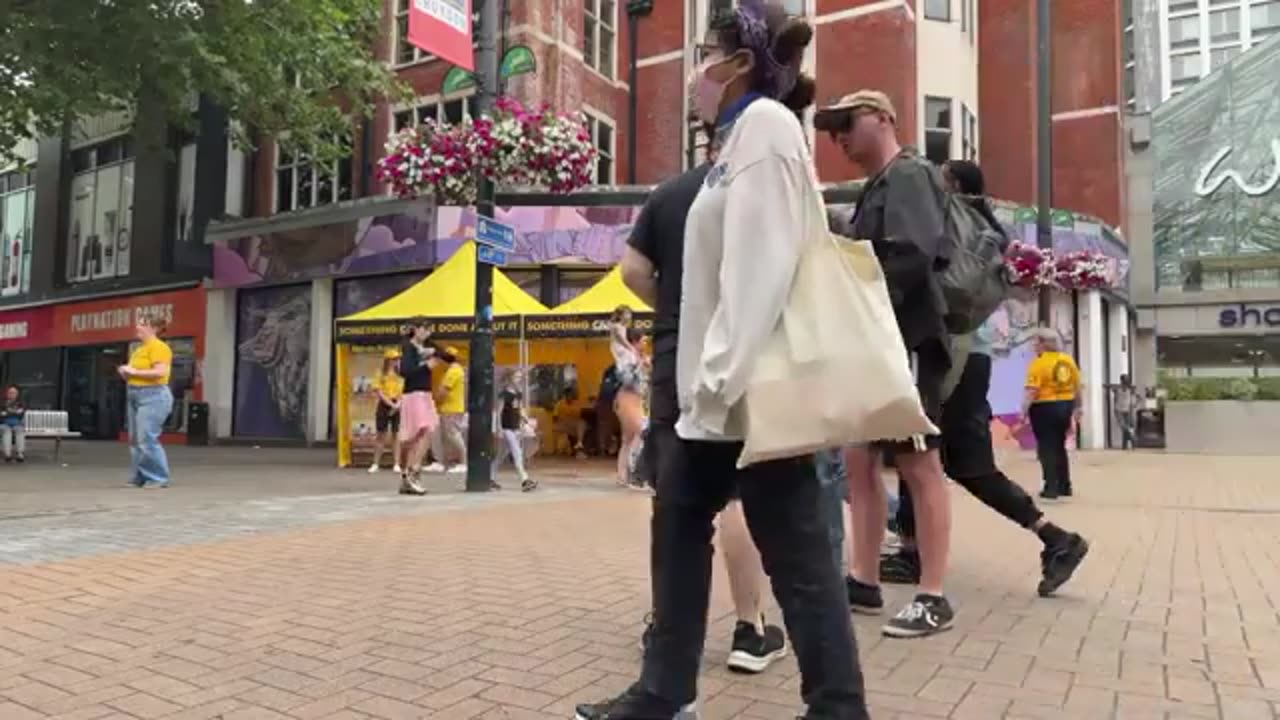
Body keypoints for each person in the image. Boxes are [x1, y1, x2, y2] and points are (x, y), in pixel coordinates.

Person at [576, 4, 869, 718]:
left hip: (741, 393)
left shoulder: (766, 128)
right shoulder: (736, 144)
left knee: (795, 552)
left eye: (706, 52)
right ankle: (663, 691)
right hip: (713, 396)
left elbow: (761, 271)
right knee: (679, 531)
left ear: (738, 63)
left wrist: (715, 381)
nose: (695, 72)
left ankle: (836, 706)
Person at [876, 158, 1089, 598]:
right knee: (936, 458)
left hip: (955, 354)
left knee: (930, 456)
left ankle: (1055, 539)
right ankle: (915, 549)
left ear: (951, 184)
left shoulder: (952, 219)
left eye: (940, 177)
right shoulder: (983, 226)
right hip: (972, 356)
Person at [816, 89, 955, 637]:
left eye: (846, 123)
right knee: (859, 461)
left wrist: (860, 299)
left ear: (883, 116)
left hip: (909, 340)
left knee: (920, 465)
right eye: (832, 130)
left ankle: (933, 594)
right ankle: (864, 577)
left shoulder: (910, 175)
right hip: (876, 343)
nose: (840, 138)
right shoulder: (880, 184)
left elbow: (912, 255)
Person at [1021, 328, 1082, 499]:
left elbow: (1032, 391)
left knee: (1046, 447)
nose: (1034, 346)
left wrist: (1023, 411)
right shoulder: (1067, 361)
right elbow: (1077, 387)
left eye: (1036, 342)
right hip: (1065, 405)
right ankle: (1065, 485)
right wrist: (1078, 407)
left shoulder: (1038, 363)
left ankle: (1051, 487)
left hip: (1044, 407)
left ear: (1043, 344)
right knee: (1059, 445)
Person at [119, 314, 175, 488]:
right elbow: (136, 372)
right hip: (135, 393)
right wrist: (125, 372)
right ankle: (140, 475)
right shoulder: (139, 349)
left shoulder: (159, 347)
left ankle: (158, 477)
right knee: (135, 439)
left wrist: (133, 372)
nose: (137, 327)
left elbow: (159, 372)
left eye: (142, 324)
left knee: (146, 438)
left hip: (153, 395)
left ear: (153, 328)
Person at [397, 318, 439, 495]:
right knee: (423, 431)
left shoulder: (426, 346)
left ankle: (410, 476)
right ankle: (412, 472)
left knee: (422, 433)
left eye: (430, 330)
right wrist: (426, 366)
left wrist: (437, 352)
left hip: (425, 393)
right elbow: (406, 372)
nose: (427, 333)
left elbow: (447, 355)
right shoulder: (409, 347)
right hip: (414, 394)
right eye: (425, 329)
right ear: (415, 329)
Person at [609, 306, 648, 489]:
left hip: (633, 398)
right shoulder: (627, 355)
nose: (645, 343)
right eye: (643, 340)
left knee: (628, 438)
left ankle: (622, 475)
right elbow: (627, 378)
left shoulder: (635, 355)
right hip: (628, 398)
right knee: (641, 433)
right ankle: (635, 473)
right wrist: (639, 363)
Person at [427, 347, 468, 476]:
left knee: (453, 435)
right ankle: (440, 462)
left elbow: (444, 391)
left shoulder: (453, 371)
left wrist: (434, 400)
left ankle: (463, 462)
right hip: (448, 408)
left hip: (451, 408)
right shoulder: (455, 370)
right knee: (443, 436)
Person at [494, 368, 535, 491]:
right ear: (509, 379)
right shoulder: (504, 394)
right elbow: (499, 411)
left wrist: (526, 420)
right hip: (507, 428)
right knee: (517, 453)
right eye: (517, 377)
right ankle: (525, 480)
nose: (519, 379)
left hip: (515, 426)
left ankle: (490, 477)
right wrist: (498, 428)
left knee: (500, 455)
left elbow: (520, 409)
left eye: (520, 377)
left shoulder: (518, 393)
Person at [369, 349, 404, 474]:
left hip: (398, 404)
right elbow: (378, 391)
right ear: (388, 360)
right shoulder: (380, 373)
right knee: (381, 435)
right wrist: (391, 404)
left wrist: (398, 404)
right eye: (394, 359)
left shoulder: (401, 374)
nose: (396, 361)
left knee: (396, 435)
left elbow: (404, 391)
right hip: (384, 404)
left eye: (397, 359)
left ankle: (396, 464)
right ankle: (375, 463)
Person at [1111, 373, 1138, 449]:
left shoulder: (1131, 389)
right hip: (1119, 410)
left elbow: (1137, 398)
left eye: (1127, 380)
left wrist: (1134, 404)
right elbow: (1111, 389)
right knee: (1123, 426)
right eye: (1124, 380)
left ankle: (1124, 445)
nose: (1125, 381)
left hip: (1128, 410)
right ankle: (1132, 437)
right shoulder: (1117, 389)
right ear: (1121, 380)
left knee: (1126, 427)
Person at [1, 386, 27, 463]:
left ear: (17, 394)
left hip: (17, 423)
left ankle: (20, 453)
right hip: (4, 423)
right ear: (7, 394)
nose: (11, 394)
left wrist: (7, 413)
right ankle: (7, 454)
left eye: (14, 393)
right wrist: (13, 412)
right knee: (6, 431)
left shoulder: (20, 403)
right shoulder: (2, 402)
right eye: (10, 392)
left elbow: (21, 413)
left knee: (20, 430)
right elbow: (1, 414)